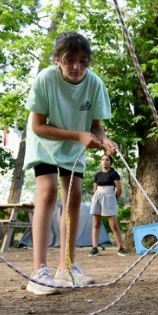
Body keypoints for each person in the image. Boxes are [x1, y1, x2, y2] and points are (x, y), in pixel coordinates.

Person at [24, 31, 117, 295]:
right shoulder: (45, 80)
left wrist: (106, 140)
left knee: (74, 197)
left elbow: (96, 127)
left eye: (83, 61)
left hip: (74, 146)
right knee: (48, 192)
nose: (77, 67)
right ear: (57, 60)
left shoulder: (95, 84)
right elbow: (38, 126)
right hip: (45, 142)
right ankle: (39, 272)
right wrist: (78, 134)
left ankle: (66, 267)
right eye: (70, 60)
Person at [89, 154, 126, 257]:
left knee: (113, 225)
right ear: (101, 162)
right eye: (103, 160)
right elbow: (95, 188)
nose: (105, 161)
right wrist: (96, 198)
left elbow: (119, 189)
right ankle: (94, 248)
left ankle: (121, 248)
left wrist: (114, 199)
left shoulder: (114, 174)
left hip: (109, 197)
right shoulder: (97, 175)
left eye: (107, 160)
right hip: (98, 197)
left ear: (110, 162)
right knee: (96, 223)